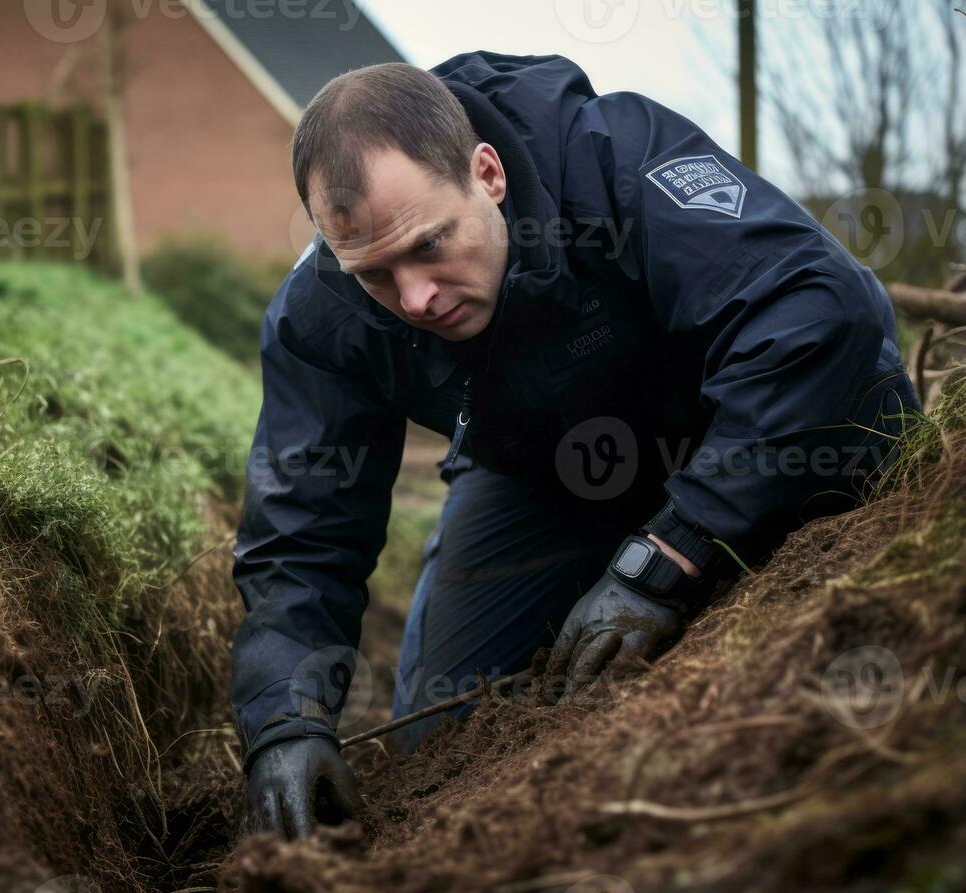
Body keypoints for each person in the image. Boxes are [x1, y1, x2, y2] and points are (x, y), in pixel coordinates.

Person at [230, 53, 919, 841]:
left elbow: (813, 317)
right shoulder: (322, 316)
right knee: (436, 747)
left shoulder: (611, 157)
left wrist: (667, 555)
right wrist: (283, 720)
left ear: (485, 174)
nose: (414, 297)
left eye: (428, 245)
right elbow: (300, 534)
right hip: (549, 470)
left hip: (755, 418)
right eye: (374, 274)